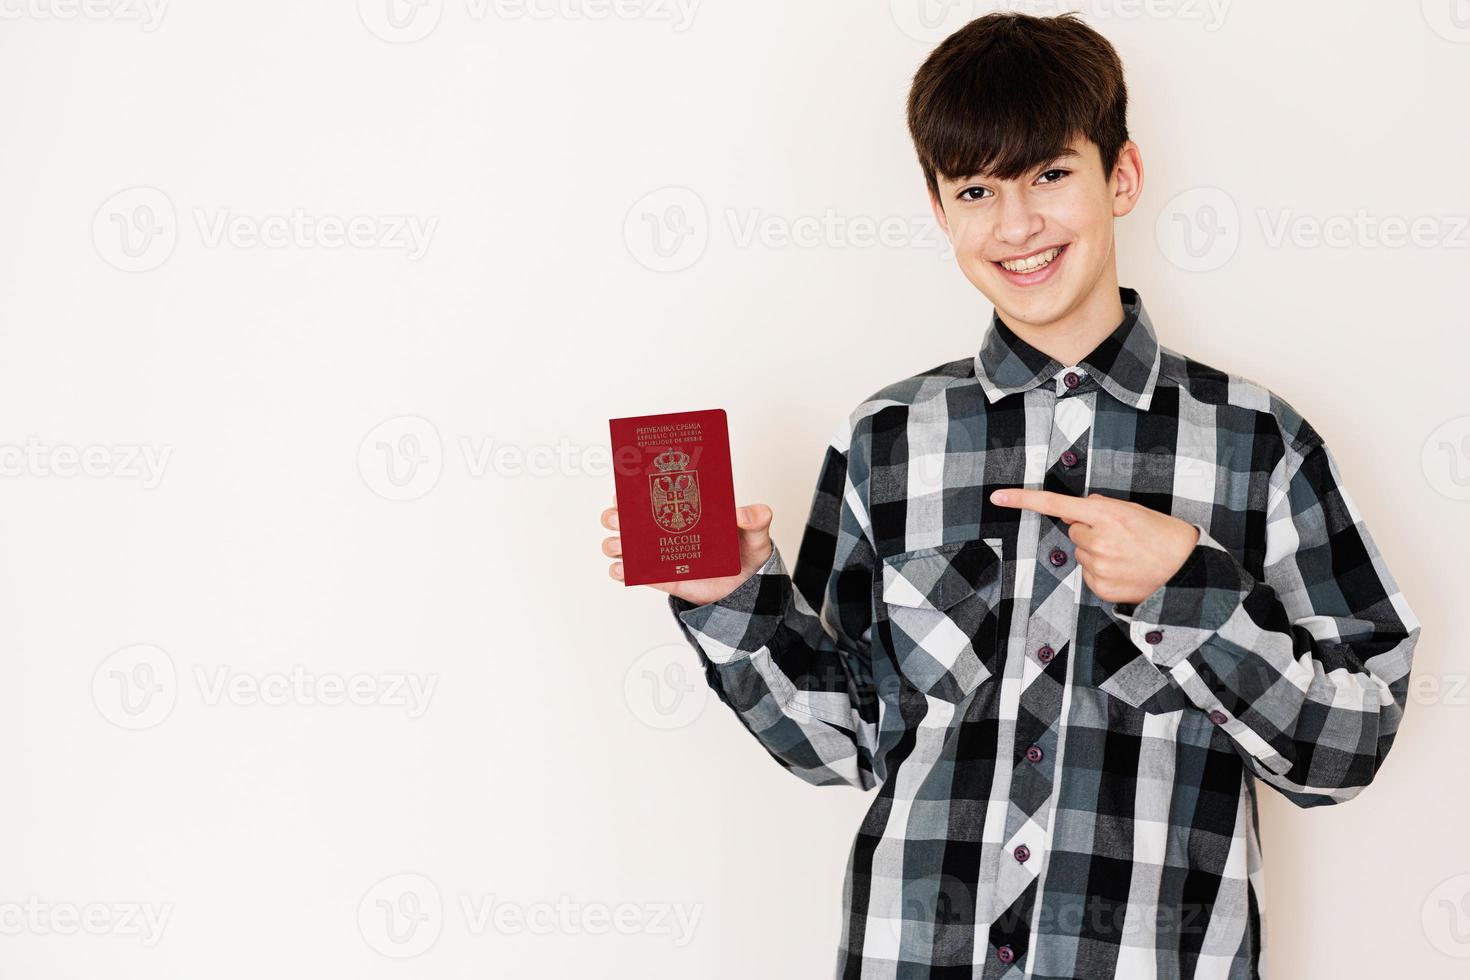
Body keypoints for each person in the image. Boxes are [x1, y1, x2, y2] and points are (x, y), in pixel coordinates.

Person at [599, 11, 1420, 978]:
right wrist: (733, 600)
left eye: (1050, 175)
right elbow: (843, 742)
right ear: (940, 210)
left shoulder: (1258, 442)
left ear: (1122, 177)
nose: (1016, 224)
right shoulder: (885, 440)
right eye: (977, 188)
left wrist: (1188, 590)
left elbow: (1349, 747)